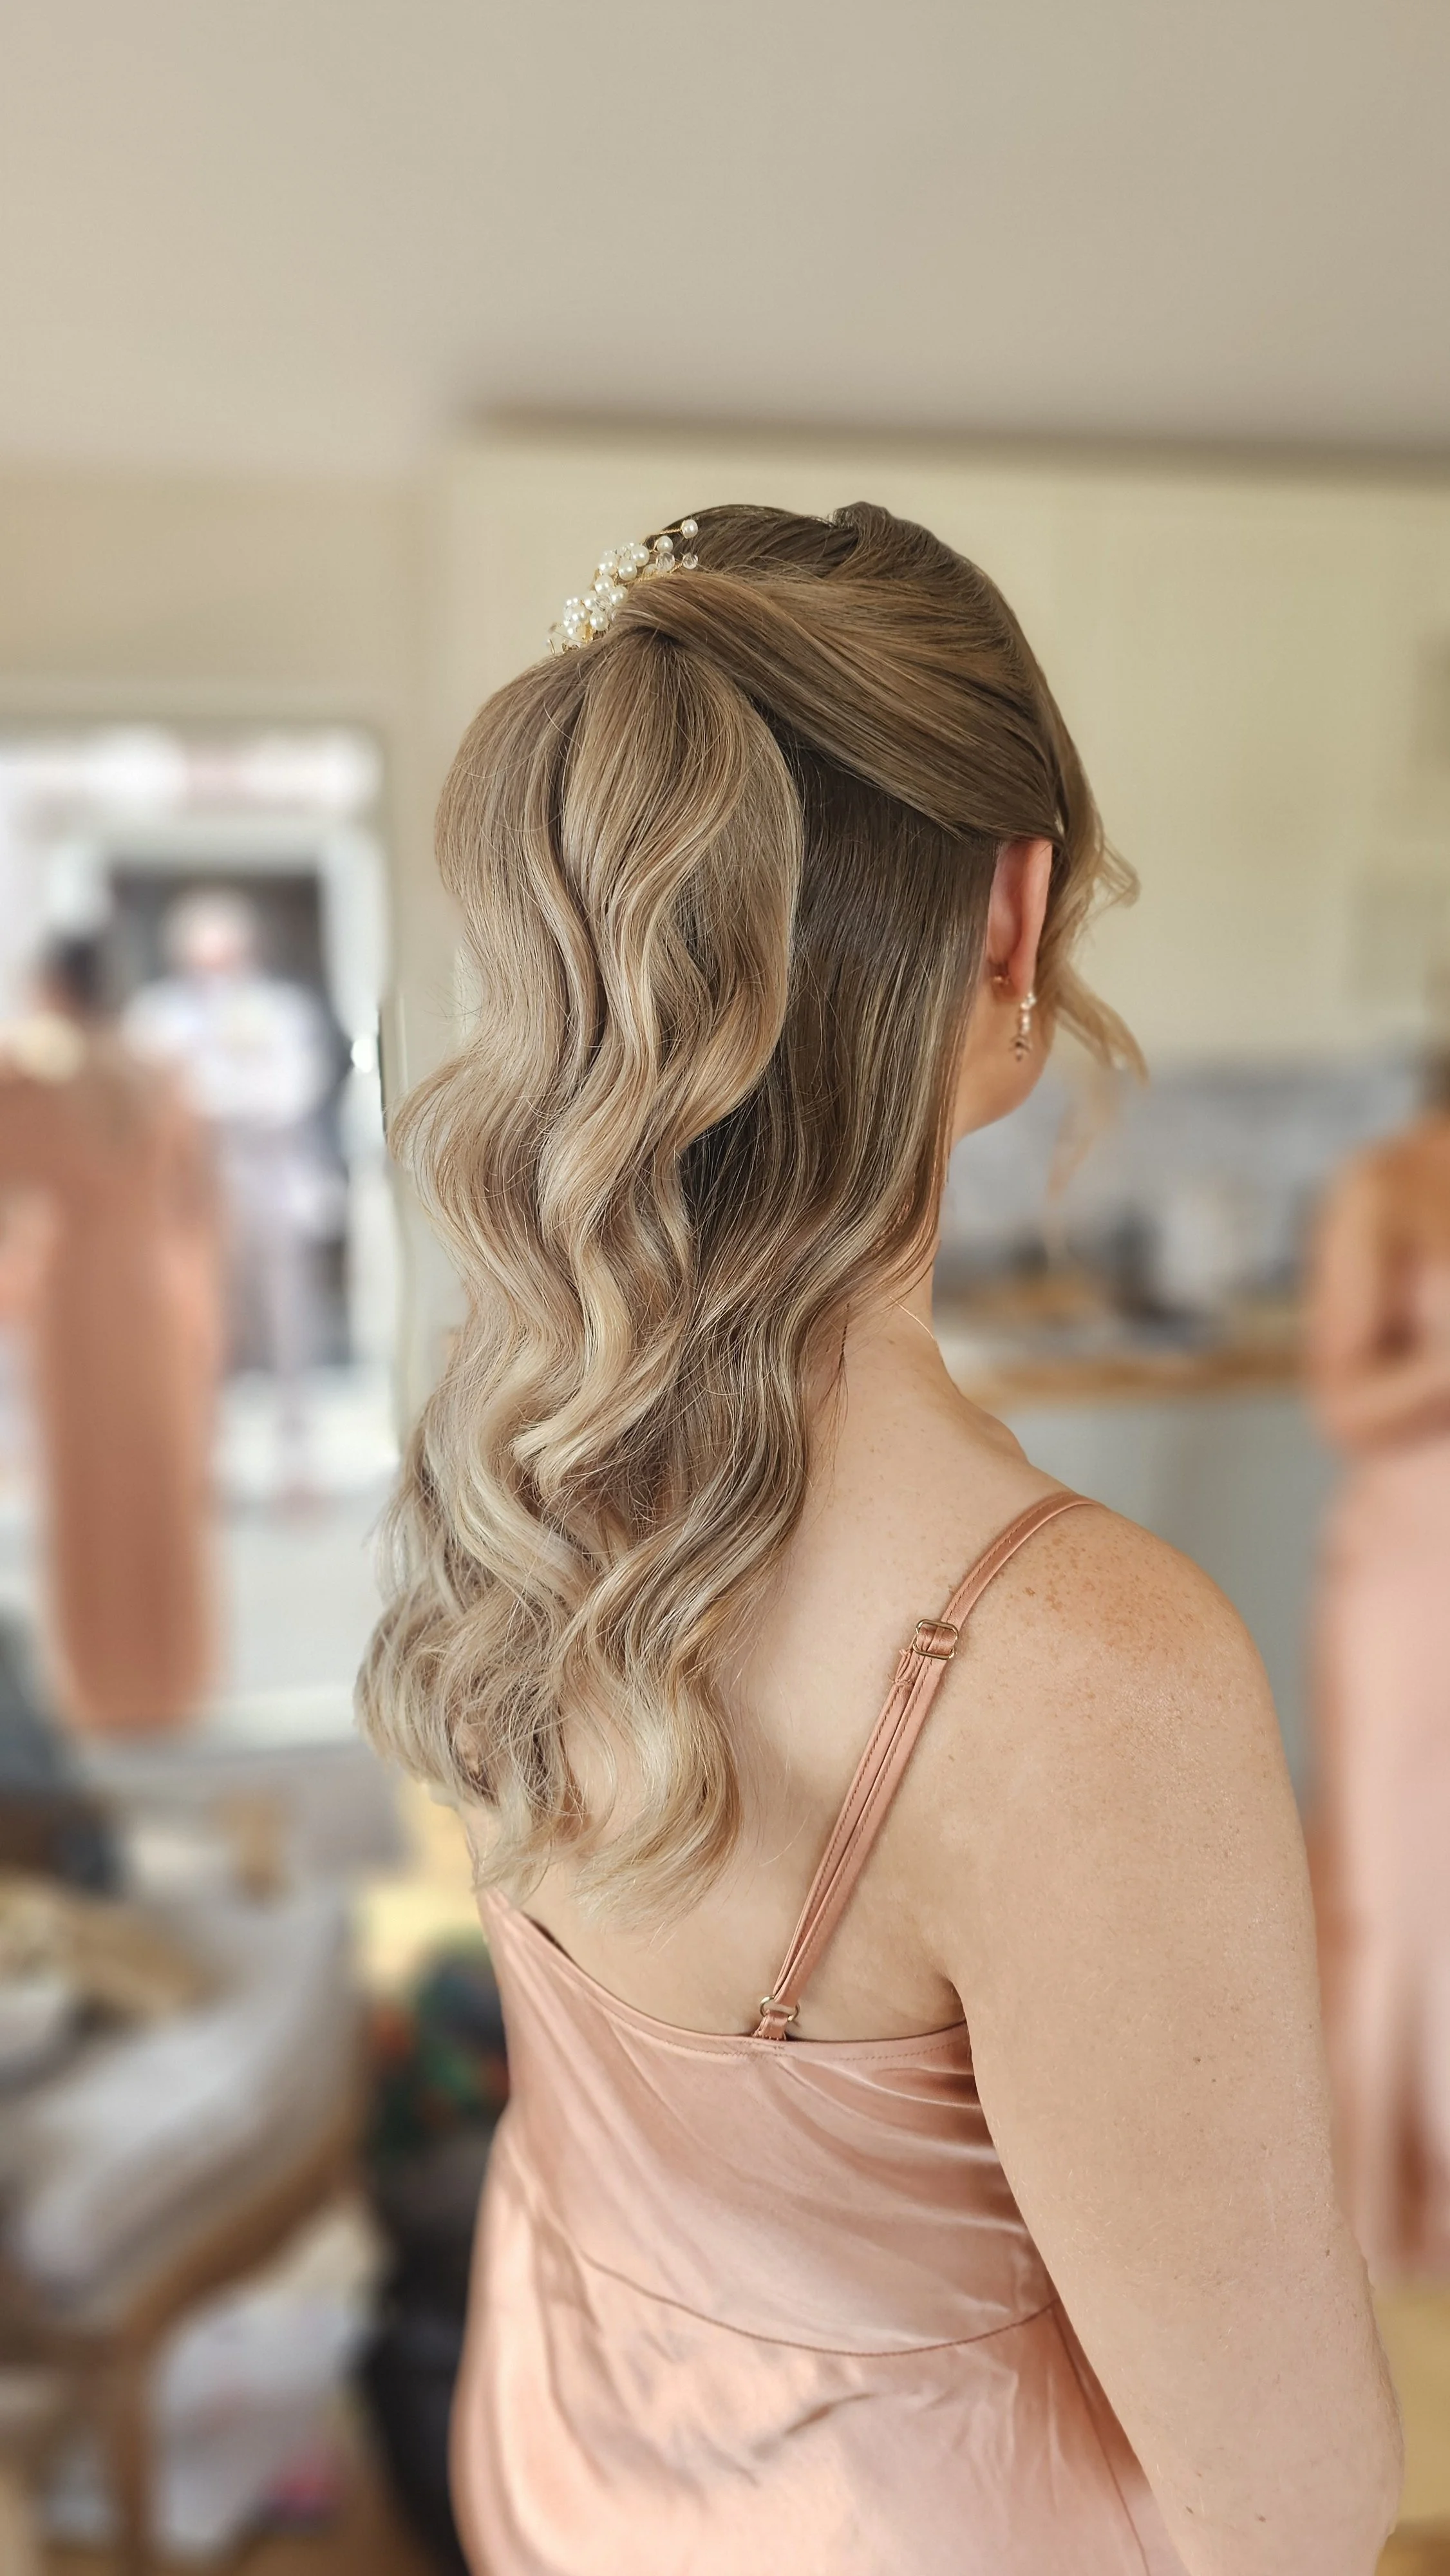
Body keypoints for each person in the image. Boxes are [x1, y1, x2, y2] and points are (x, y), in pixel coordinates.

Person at [361, 505, 1400, 2575]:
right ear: (1012, 914)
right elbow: (1292, 2512)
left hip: (575, 2479)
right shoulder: (1074, 1670)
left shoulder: (525, 1459)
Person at [0, 937, 219, 1732]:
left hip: (79, 1301)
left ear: (55, 990)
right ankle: (172, 1682)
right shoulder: (160, 1072)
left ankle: (104, 1692)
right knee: (159, 1488)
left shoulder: (38, 1081)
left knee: (91, 1494)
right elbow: (198, 1199)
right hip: (155, 1294)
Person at [1308, 1061, 1450, 2283]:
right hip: (1419, 1567)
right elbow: (1345, 1405)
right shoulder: (1390, 1186)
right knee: (1405, 1887)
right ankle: (1397, 2203)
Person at [124, 891, 342, 1486]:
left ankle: (296, 1459)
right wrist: (221, 1099)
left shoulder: (283, 1010)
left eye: (227, 958)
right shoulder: (159, 1015)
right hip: (190, 1195)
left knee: (288, 1324)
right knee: (201, 1327)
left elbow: (292, 1093)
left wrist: (212, 1100)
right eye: (204, 961)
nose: (216, 974)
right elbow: (150, 1103)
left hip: (273, 1185)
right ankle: (205, 1461)